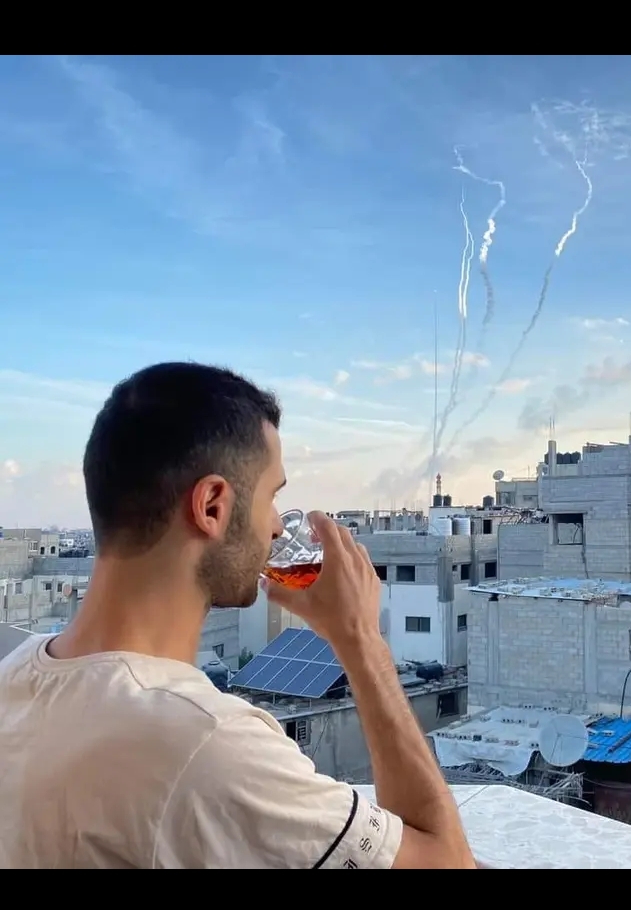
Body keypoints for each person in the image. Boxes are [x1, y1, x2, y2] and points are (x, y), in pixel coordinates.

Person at [0, 362, 477, 869]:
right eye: (272, 496)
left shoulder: (15, 677)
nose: (277, 527)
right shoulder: (208, 744)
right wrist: (361, 641)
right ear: (211, 506)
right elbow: (449, 862)